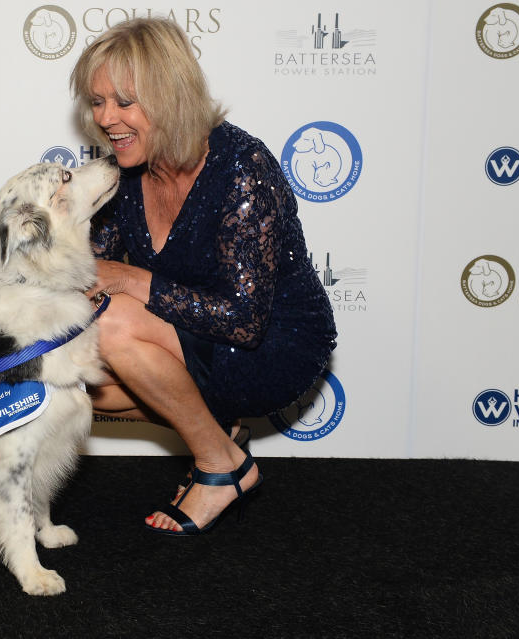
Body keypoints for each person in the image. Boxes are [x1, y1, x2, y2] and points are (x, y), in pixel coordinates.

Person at [70, 18, 337, 535]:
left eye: (124, 102)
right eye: (98, 101)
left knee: (115, 324)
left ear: (170, 96)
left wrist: (127, 278)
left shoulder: (241, 165)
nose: (105, 117)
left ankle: (222, 465)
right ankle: (219, 435)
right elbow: (90, 269)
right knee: (74, 385)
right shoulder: (124, 170)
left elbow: (244, 321)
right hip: (190, 336)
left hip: (273, 346)